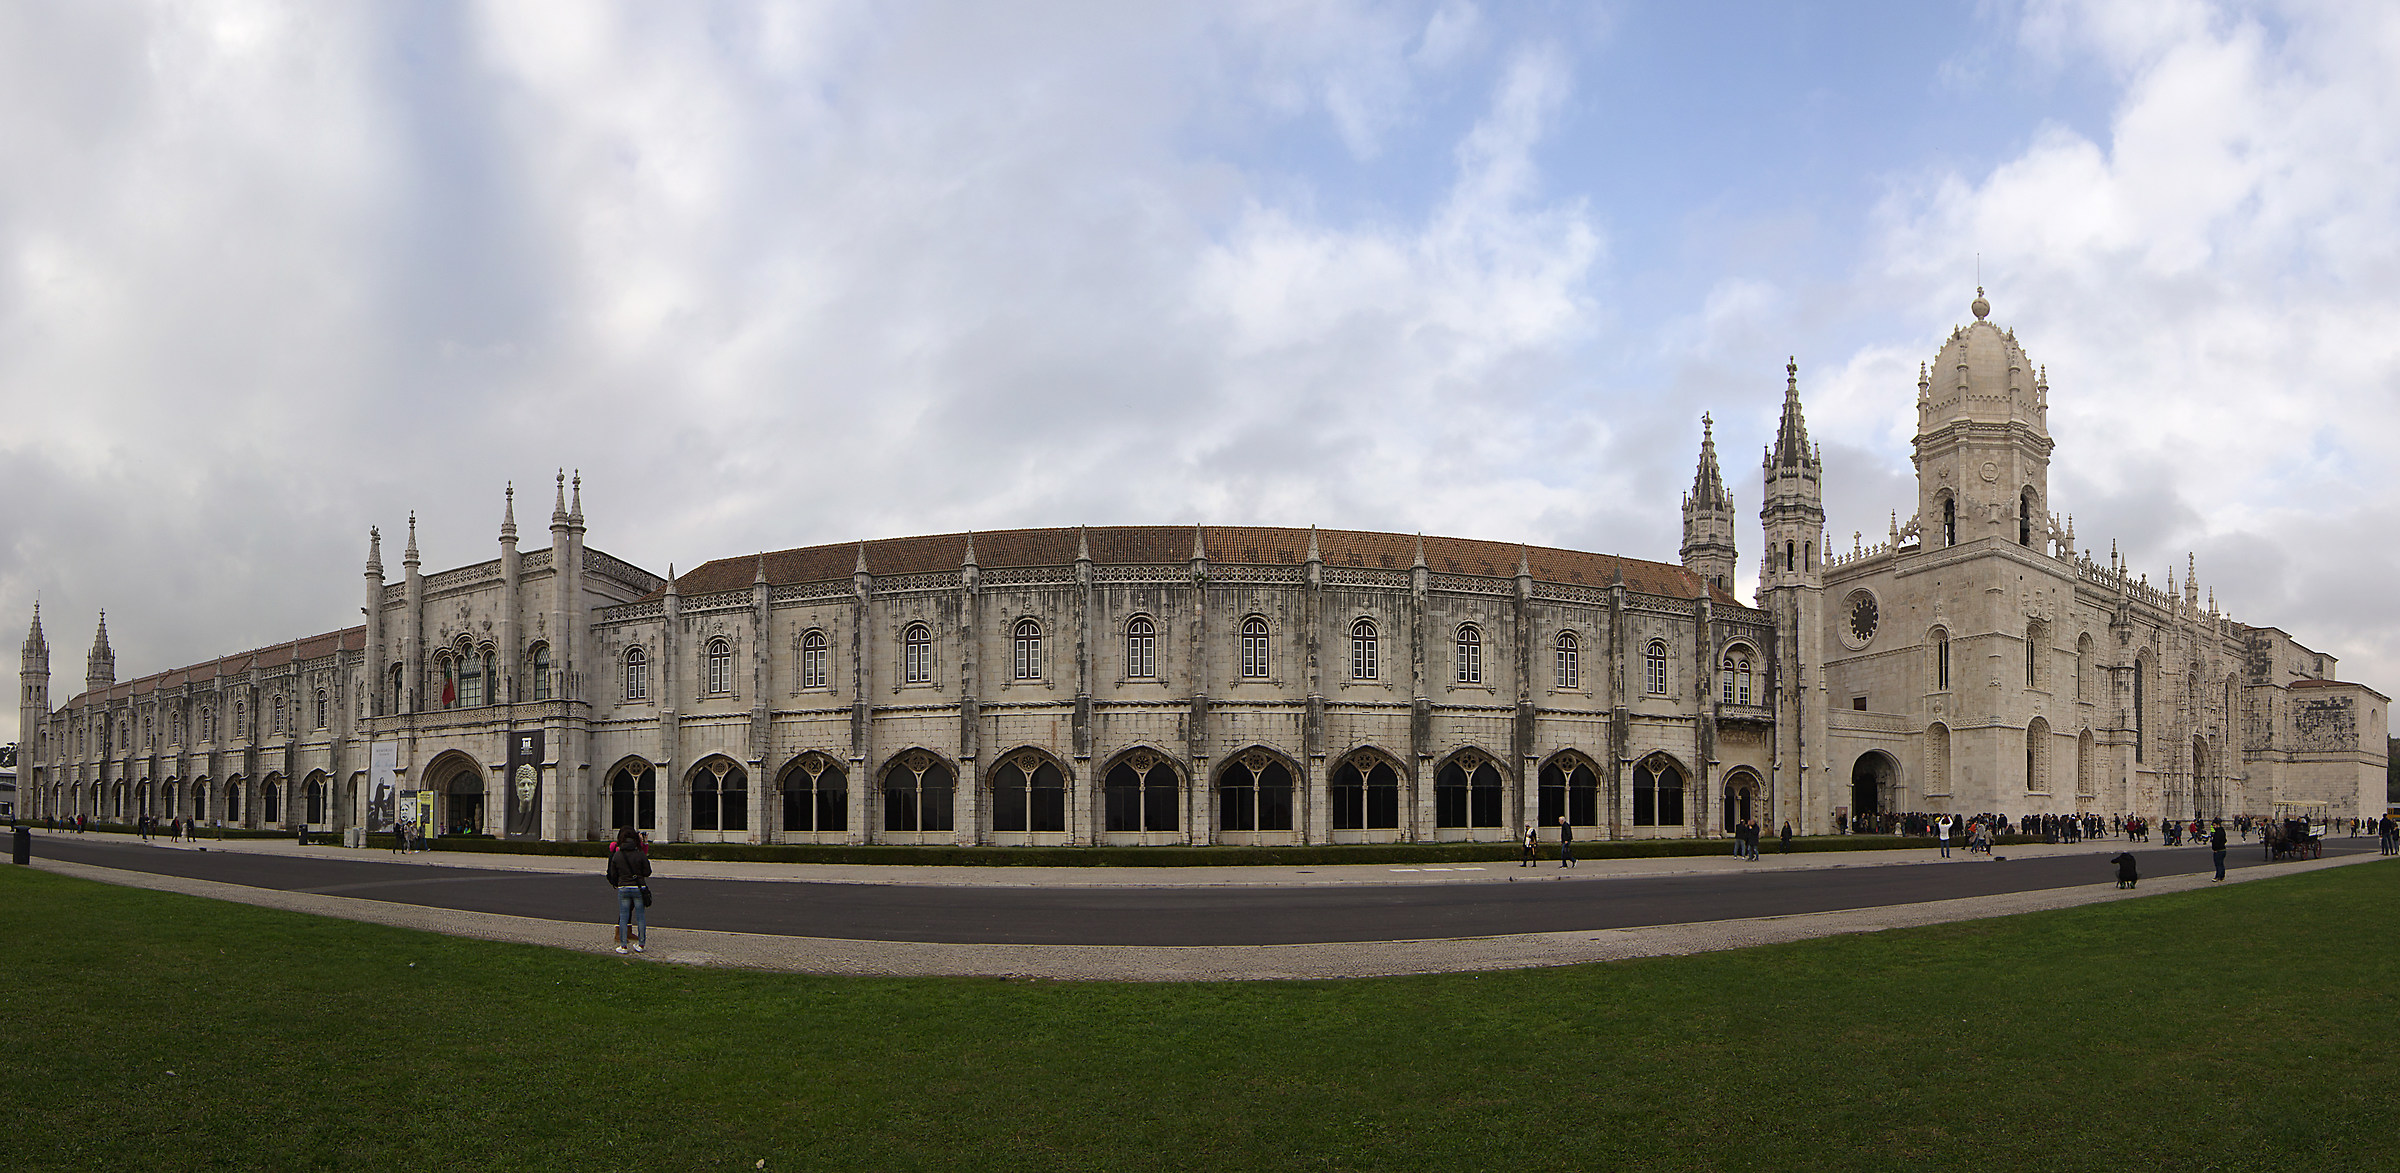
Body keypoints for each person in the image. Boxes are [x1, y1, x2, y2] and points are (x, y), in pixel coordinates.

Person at [606, 826, 651, 953]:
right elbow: (647, 872)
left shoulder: (617, 854)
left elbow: (613, 874)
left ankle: (623, 946)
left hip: (623, 887)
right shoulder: (639, 853)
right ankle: (641, 945)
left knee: (624, 916)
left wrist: (620, 881)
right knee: (640, 916)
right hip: (638, 887)